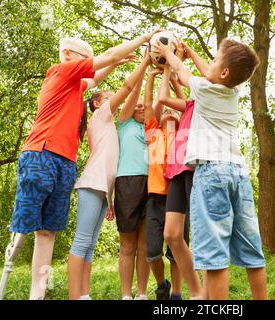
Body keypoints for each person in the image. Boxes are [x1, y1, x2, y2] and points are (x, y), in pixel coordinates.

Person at [9, 30, 160, 300]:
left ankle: (38, 294)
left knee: (48, 232)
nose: (90, 64)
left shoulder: (75, 87)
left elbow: (97, 76)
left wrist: (114, 64)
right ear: (68, 56)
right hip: (42, 154)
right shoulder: (61, 71)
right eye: (87, 60)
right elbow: (112, 66)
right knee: (26, 227)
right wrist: (144, 40)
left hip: (66, 163)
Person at [153, 38, 268, 300]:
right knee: (253, 252)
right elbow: (206, 71)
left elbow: (183, 74)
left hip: (211, 173)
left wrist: (168, 53)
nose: (210, 64)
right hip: (239, 174)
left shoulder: (204, 90)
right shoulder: (233, 92)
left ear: (224, 72)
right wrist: (191, 52)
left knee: (214, 255)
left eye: (215, 60)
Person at [68, 53, 154, 300]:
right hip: (91, 184)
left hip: (101, 188)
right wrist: (143, 63)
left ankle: (84, 295)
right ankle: (76, 295)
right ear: (97, 103)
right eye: (108, 97)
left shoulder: (110, 126)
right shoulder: (102, 115)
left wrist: (110, 198)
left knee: (90, 246)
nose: (113, 100)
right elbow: (128, 89)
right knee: (82, 242)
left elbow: (113, 165)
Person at [143, 66, 189, 300]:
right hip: (155, 199)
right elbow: (149, 104)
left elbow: (187, 104)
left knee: (176, 251)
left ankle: (177, 294)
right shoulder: (153, 133)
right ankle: (162, 284)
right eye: (166, 112)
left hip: (178, 199)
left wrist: (175, 82)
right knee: (152, 252)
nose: (170, 112)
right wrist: (152, 76)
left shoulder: (184, 135)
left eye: (175, 112)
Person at [114, 53, 153, 300]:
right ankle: (126, 294)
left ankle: (141, 293)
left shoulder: (151, 124)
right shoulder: (124, 123)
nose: (140, 107)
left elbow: (152, 103)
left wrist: (155, 74)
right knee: (127, 245)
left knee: (144, 244)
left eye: (142, 105)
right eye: (136, 105)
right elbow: (134, 97)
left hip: (151, 184)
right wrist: (144, 66)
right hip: (127, 183)